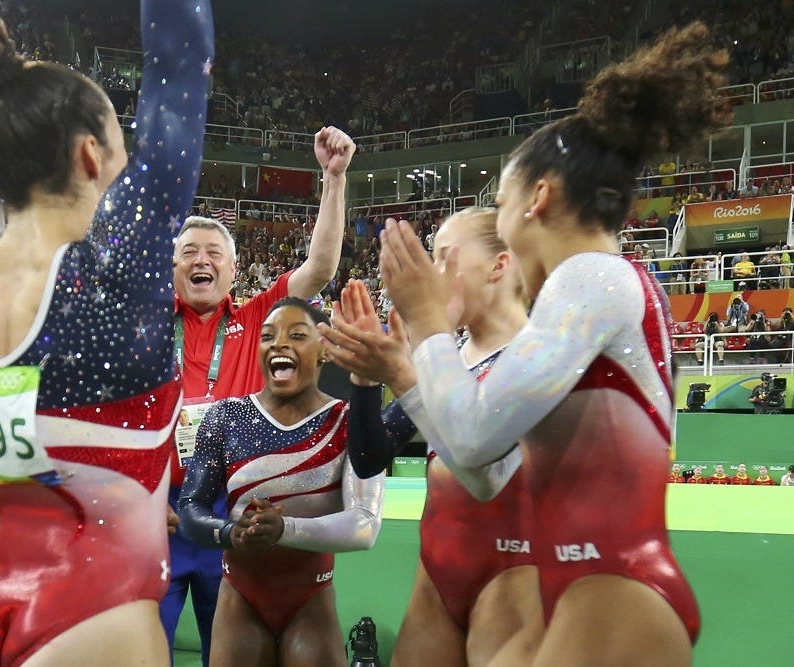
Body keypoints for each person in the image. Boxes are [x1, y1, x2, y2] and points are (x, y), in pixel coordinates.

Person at [376, 23, 727, 665]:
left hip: (616, 590)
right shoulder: (597, 290)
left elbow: (473, 437)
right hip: (598, 585)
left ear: (539, 198)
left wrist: (427, 324)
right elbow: (481, 464)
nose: (502, 228)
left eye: (501, 204)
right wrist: (408, 365)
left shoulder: (592, 276)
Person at [0, 1, 213, 665]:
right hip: (97, 611)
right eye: (122, 146)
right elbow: (182, 63)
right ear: (89, 155)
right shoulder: (117, 269)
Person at [164, 129, 354, 664]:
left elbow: (320, 267)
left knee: (227, 651)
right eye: (188, 252)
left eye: (214, 253)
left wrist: (333, 179)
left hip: (236, 512)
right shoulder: (146, 330)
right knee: (142, 649)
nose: (201, 260)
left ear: (232, 268)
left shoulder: (258, 319)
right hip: (158, 517)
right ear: (172, 267)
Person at [320, 208, 542, 666]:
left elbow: (487, 474)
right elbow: (370, 457)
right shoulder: (448, 360)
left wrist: (404, 375)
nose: (430, 276)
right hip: (437, 574)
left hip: (515, 573)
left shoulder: (541, 357)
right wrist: (367, 379)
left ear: (499, 265)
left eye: (444, 258)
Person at [177, 297, 408, 666]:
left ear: (324, 350)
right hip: (239, 596)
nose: (279, 344)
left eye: (297, 335)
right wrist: (230, 533)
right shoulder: (226, 416)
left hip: (311, 599)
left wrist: (284, 529)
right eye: (268, 336)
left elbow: (365, 525)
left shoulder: (350, 422)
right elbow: (191, 507)